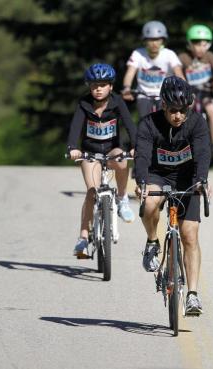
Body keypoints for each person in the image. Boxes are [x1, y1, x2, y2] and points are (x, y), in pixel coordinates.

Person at [134, 76, 211, 315]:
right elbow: (143, 157)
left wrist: (202, 180)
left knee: (190, 236)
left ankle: (193, 295)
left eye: (183, 111)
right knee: (148, 205)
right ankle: (152, 242)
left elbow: (202, 152)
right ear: (163, 106)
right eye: (173, 111)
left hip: (188, 178)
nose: (178, 116)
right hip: (158, 175)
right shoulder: (148, 124)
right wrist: (142, 182)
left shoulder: (197, 122)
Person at [67, 63, 137, 258]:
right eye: (94, 85)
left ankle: (122, 199)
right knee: (91, 192)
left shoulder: (118, 102)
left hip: (112, 148)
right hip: (90, 152)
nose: (98, 89)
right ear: (89, 86)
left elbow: (130, 125)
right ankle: (82, 238)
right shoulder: (84, 104)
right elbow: (75, 128)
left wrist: (135, 145)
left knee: (122, 161)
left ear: (111, 86)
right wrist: (73, 148)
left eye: (103, 85)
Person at [178, 24, 213, 158]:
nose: (201, 48)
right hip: (190, 92)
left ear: (208, 46)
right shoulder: (183, 57)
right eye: (197, 44)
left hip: (206, 91)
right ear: (190, 44)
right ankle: (180, 137)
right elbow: (176, 71)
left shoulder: (209, 56)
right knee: (186, 109)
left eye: (204, 45)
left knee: (212, 111)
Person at [122, 20, 185, 119]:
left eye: (157, 39)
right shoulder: (138, 54)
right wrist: (127, 88)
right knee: (144, 121)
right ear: (145, 41)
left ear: (163, 40)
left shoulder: (169, 54)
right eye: (150, 39)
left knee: (166, 120)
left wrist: (183, 88)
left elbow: (179, 73)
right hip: (143, 95)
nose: (154, 43)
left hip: (164, 94)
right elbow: (130, 73)